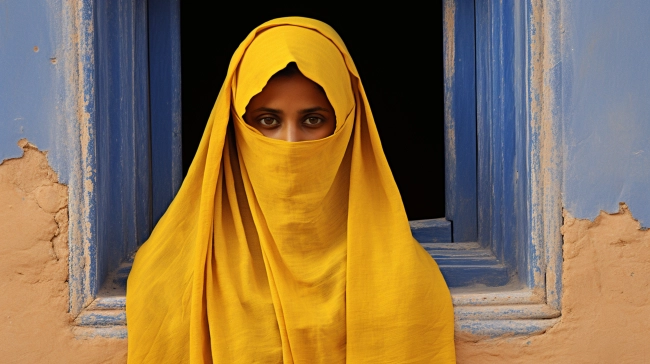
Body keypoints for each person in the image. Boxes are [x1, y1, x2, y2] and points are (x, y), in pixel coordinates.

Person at [126, 17, 455, 363]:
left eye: (313, 120)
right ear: (236, 125)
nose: (290, 142)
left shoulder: (400, 276)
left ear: (346, 124)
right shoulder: (174, 273)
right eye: (267, 121)